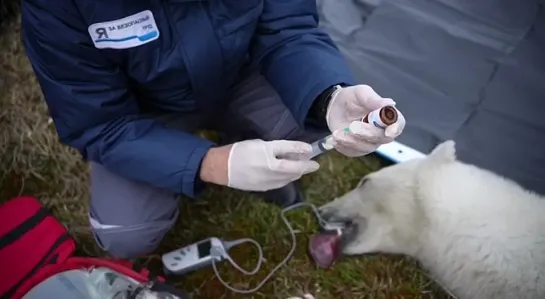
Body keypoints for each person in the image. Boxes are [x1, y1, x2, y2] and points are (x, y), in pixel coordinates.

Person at [21, 0, 406, 260]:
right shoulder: (57, 7)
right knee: (128, 234)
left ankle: (267, 166)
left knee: (302, 123)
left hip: (242, 74)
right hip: (141, 111)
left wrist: (329, 97)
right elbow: (98, 123)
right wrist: (211, 164)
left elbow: (288, 29)